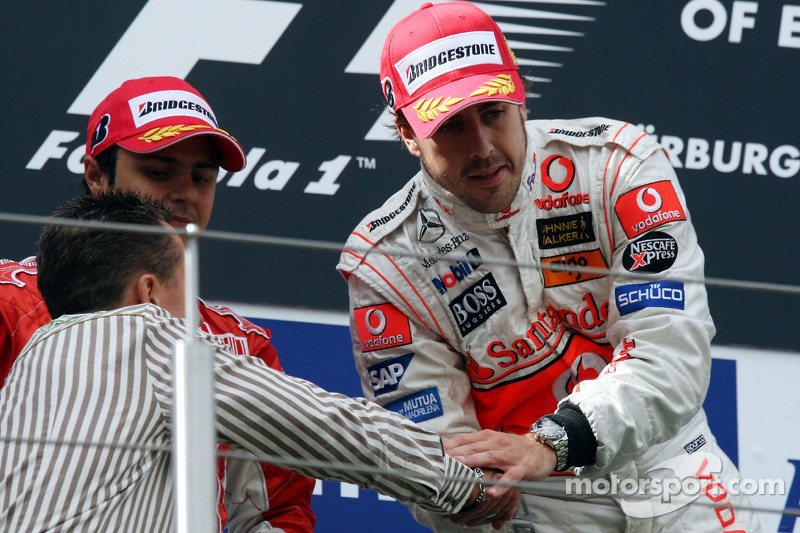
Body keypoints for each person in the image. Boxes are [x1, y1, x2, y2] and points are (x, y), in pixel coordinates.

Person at [337, 2, 761, 531]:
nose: (483, 148)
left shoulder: (615, 166)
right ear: (406, 132)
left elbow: (670, 353)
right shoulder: (384, 267)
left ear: (522, 99)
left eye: (493, 114)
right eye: (450, 127)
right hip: (541, 514)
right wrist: (467, 491)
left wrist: (550, 442)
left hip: (680, 485)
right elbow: (429, 451)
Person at [0, 190, 503, 531]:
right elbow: (322, 426)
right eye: (185, 285)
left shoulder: (22, 372)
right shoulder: (147, 332)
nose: (192, 311)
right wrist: (459, 478)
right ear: (149, 291)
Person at [0, 76, 315, 532]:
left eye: (202, 178)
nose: (184, 192)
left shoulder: (242, 345)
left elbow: (277, 512)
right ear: (95, 176)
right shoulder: (10, 304)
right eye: (159, 172)